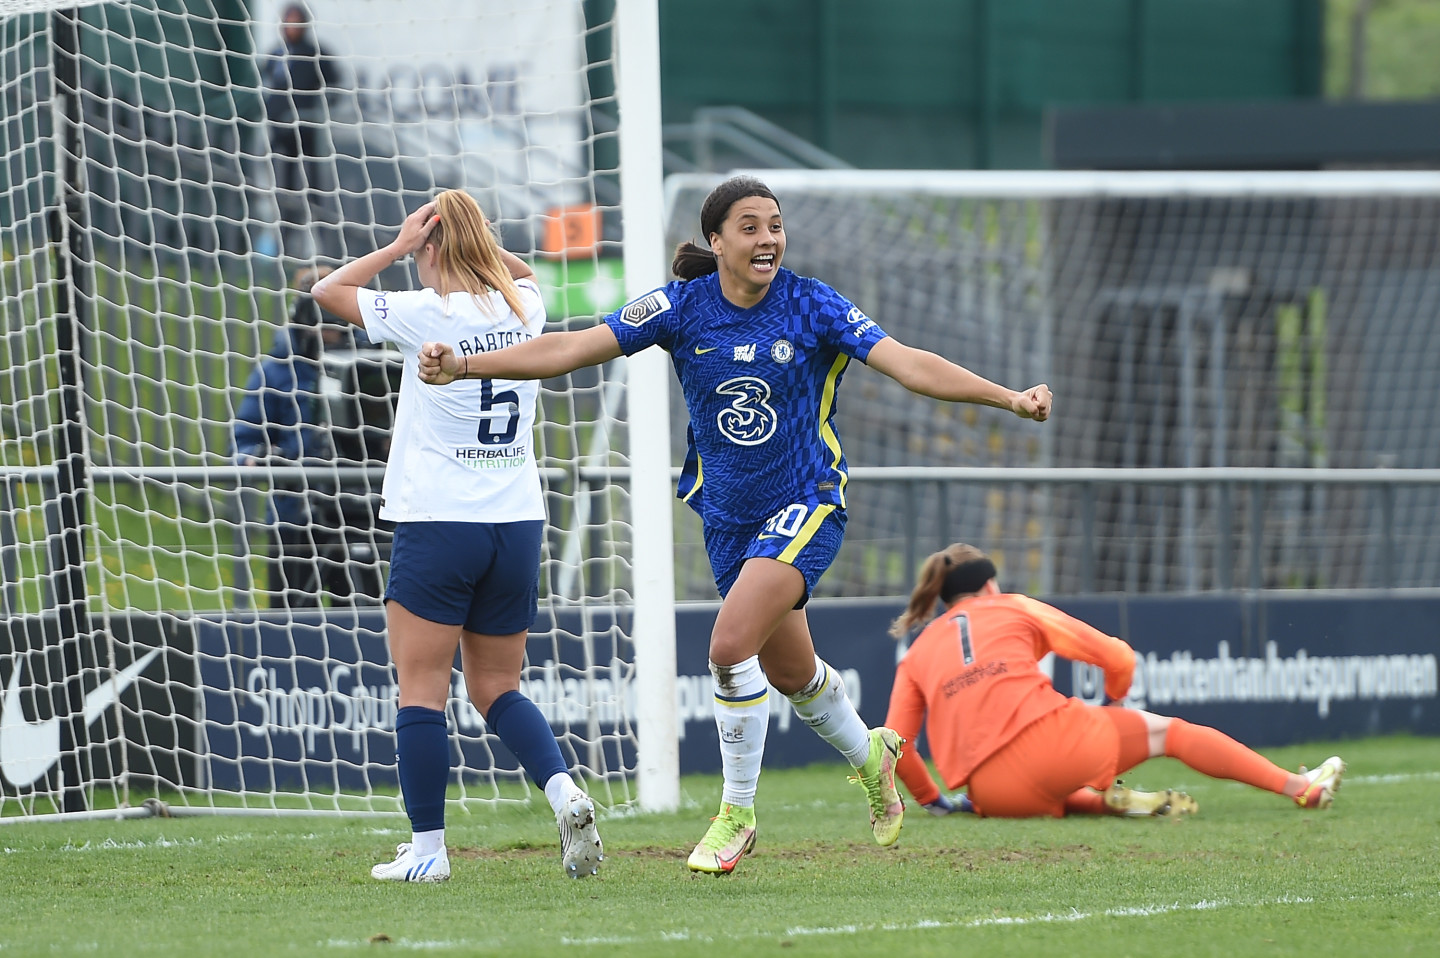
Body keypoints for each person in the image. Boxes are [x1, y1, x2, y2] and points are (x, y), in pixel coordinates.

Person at [414, 175, 1053, 874]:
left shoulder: (812, 304)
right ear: (716, 242)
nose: (768, 239)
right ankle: (872, 754)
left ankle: (736, 815)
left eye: (775, 225)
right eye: (750, 227)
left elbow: (910, 365)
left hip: (807, 500)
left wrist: (1008, 398)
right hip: (726, 516)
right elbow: (572, 348)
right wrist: (468, 366)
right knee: (795, 674)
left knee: (727, 646)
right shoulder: (681, 307)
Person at [310, 191, 604, 882]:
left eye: (421, 248)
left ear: (430, 245)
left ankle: (429, 853)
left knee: (420, 690)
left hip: (440, 522)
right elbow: (521, 269)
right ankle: (565, 793)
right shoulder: (523, 305)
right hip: (517, 523)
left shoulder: (423, 314)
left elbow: (329, 289)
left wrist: (395, 242)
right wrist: (470, 236)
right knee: (498, 686)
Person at [883, 542, 1347, 820]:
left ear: (945, 599)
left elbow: (896, 743)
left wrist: (934, 801)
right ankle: (1299, 788)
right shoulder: (1012, 606)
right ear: (988, 585)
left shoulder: (918, 651)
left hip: (992, 793)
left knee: (1054, 791)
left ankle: (1107, 803)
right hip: (1057, 745)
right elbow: (1117, 655)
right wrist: (1115, 702)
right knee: (1174, 733)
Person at [233, 269, 339, 609]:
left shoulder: (372, 366)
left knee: (363, 610)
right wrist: (259, 456)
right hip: (293, 512)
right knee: (290, 614)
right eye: (324, 318)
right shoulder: (276, 371)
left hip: (355, 514)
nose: (332, 330)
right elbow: (242, 440)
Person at [261, 3, 339, 225]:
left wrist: (315, 110)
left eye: (296, 21)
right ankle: (284, 234)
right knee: (283, 183)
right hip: (279, 130)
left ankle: (320, 231)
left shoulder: (316, 54)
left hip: (305, 129)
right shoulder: (275, 54)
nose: (291, 26)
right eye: (288, 21)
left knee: (311, 182)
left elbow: (334, 85)